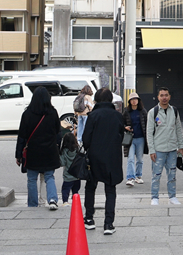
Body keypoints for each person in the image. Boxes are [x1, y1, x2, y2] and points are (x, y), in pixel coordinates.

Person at [81, 88, 128, 234]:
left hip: (94, 156)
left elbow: (86, 139)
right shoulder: (117, 115)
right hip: (112, 157)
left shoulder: (93, 115)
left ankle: (89, 219)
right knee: (110, 189)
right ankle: (108, 224)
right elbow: (122, 136)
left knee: (91, 187)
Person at [15, 86, 62, 210]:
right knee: (49, 177)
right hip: (50, 151)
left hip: (33, 151)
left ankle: (32, 204)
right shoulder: (52, 113)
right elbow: (58, 132)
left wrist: (18, 154)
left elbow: (22, 136)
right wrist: (57, 146)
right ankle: (52, 199)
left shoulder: (27, 113)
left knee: (31, 179)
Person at [145, 87, 183, 206]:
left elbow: (178, 129)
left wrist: (180, 146)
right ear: (158, 97)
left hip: (172, 149)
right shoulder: (153, 112)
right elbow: (149, 132)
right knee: (156, 175)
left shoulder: (174, 111)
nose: (164, 98)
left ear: (169, 96)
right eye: (162, 95)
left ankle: (172, 196)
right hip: (158, 149)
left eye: (166, 95)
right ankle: (154, 197)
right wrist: (151, 150)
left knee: (172, 175)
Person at [122, 92, 147, 186]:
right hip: (130, 138)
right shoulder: (126, 111)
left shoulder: (143, 111)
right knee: (130, 158)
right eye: (132, 99)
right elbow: (121, 122)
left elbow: (148, 123)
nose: (134, 101)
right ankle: (130, 177)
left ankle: (138, 176)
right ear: (129, 101)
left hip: (141, 138)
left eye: (135, 99)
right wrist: (125, 127)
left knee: (140, 159)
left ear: (138, 100)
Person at [59, 130, 82, 204]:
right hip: (77, 176)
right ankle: (75, 201)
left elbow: (62, 163)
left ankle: (65, 202)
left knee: (65, 190)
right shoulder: (78, 150)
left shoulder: (64, 151)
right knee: (75, 191)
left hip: (68, 176)